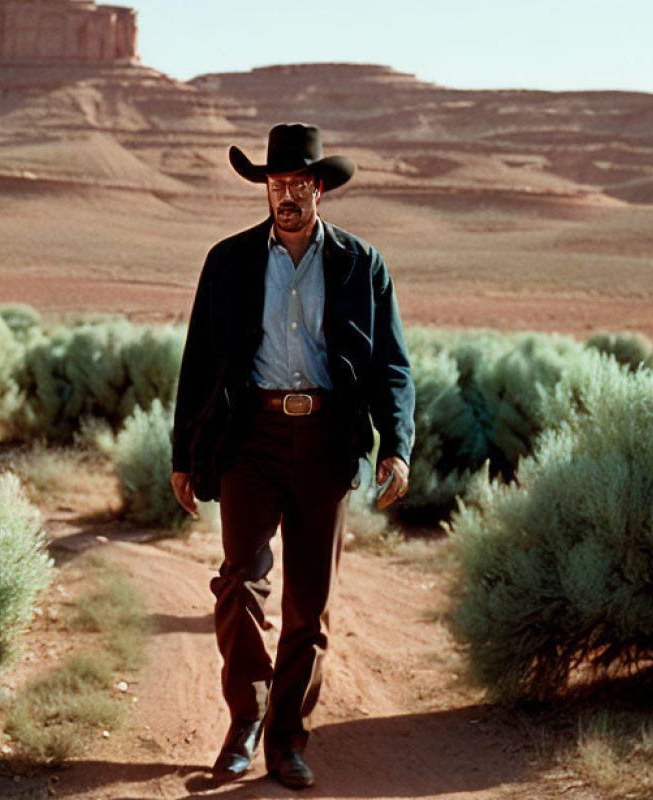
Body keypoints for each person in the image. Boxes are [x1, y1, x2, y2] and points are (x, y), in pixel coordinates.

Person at [170, 122, 415, 790]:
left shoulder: (361, 264)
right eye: (276, 184)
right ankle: (244, 720)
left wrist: (397, 444)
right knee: (240, 581)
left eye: (299, 184)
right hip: (250, 436)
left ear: (320, 189)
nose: (287, 195)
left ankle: (286, 740)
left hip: (329, 441)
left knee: (311, 604)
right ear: (266, 188)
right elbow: (198, 362)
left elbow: (393, 364)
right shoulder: (228, 261)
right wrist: (183, 454)